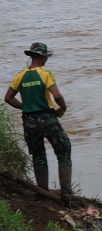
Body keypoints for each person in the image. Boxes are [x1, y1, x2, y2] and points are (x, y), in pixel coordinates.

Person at [4, 42, 72, 203]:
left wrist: (26, 107)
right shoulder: (45, 74)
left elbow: (8, 98)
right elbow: (56, 96)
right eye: (46, 56)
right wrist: (63, 107)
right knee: (64, 151)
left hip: (29, 121)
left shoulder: (19, 76)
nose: (47, 59)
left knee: (39, 155)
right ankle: (67, 196)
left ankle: (42, 194)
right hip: (47, 118)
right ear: (41, 57)